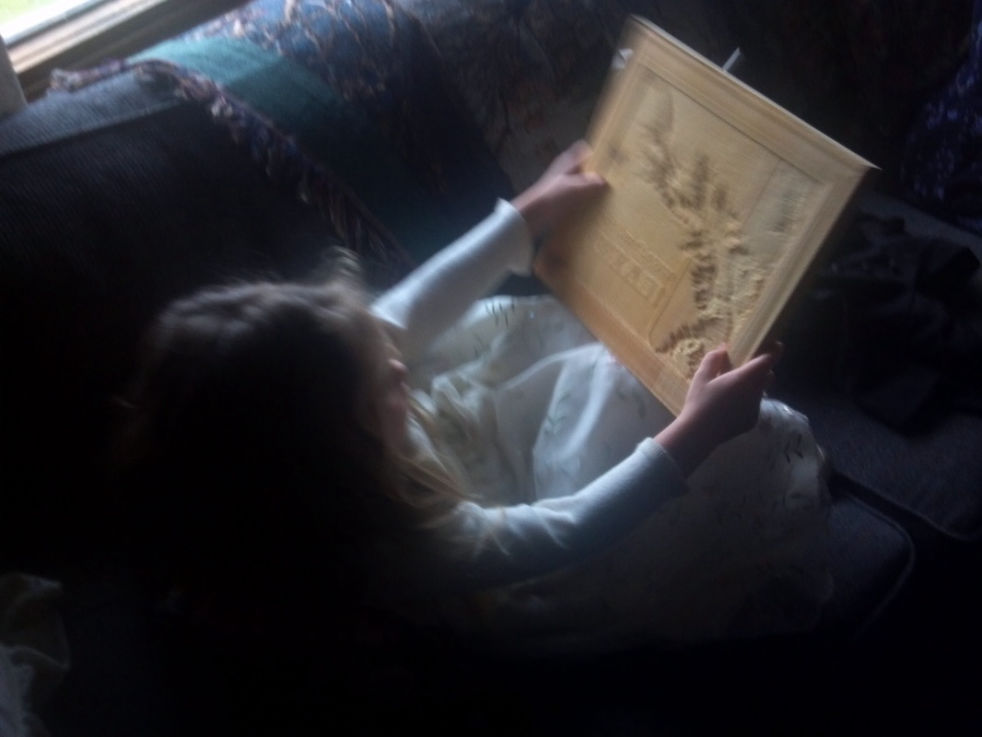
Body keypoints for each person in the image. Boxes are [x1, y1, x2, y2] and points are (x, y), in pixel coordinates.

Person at [114, 142, 831, 656]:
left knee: (581, 344)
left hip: (470, 426)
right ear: (336, 453)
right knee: (633, 404)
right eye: (381, 382)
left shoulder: (340, 385)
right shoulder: (403, 548)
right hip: (523, 540)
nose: (398, 361)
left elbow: (418, 300)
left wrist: (524, 215)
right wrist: (698, 432)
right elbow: (567, 528)